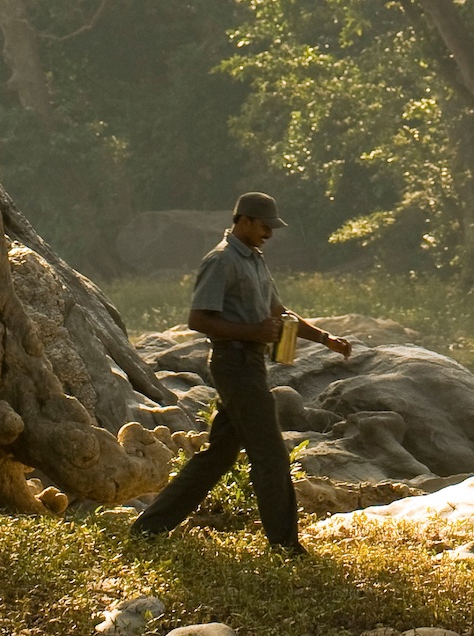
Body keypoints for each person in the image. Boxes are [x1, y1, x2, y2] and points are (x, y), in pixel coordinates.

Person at [131, 192, 351, 555]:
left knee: (217, 457)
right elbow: (198, 319)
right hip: (234, 365)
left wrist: (326, 339)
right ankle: (285, 546)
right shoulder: (221, 261)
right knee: (271, 456)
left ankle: (148, 528)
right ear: (244, 221)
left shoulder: (255, 260)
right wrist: (252, 333)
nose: (270, 233)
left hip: (252, 364)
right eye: (265, 226)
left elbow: (279, 312)